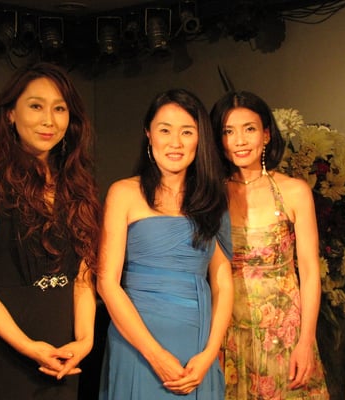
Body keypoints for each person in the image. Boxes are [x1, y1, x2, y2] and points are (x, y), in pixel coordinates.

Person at [0, 62, 101, 400]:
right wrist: (28, 347)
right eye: (36, 106)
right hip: (4, 356)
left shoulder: (80, 186)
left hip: (62, 359)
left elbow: (83, 277)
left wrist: (85, 340)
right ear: (10, 114)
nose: (49, 120)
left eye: (59, 109)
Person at [97, 88, 233, 399]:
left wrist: (210, 352)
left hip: (197, 346)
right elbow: (106, 282)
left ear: (200, 138)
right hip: (137, 342)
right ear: (148, 134)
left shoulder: (214, 198)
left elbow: (223, 282)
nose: (175, 143)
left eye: (187, 132)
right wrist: (155, 355)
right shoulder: (123, 193)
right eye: (165, 130)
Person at [210, 90, 330, 399]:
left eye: (249, 129)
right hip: (227, 334)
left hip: (284, 336)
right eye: (228, 131)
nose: (239, 140)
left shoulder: (294, 191)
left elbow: (309, 272)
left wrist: (306, 341)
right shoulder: (211, 195)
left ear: (266, 134)